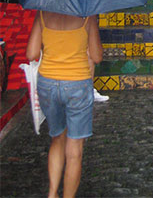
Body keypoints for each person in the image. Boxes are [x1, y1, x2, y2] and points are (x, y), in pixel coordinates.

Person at [26, 11, 103, 198]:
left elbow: (31, 53)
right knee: (75, 148)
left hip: (48, 84)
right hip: (77, 84)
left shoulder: (42, 14)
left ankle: (52, 194)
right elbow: (97, 56)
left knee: (57, 137)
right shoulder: (87, 16)